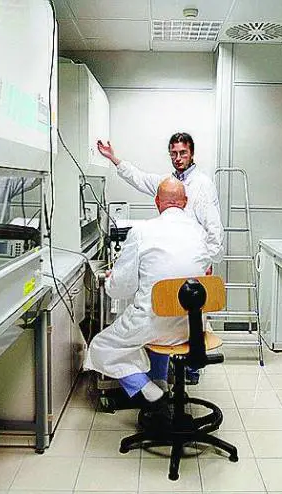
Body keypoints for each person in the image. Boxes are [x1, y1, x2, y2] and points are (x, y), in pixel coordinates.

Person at [97, 132, 223, 385]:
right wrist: (115, 160)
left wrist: (204, 263)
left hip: (193, 263)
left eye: (183, 153)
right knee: (167, 314)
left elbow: (214, 231)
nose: (178, 158)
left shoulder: (203, 185)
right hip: (176, 261)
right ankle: (161, 380)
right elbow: (141, 178)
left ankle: (183, 373)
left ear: (192, 153)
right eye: (173, 153)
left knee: (161, 315)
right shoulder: (169, 182)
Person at [84, 177, 210, 415]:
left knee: (101, 346)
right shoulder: (200, 232)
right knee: (158, 333)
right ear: (185, 202)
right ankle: (160, 383)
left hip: (155, 324)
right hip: (193, 328)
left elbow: (121, 289)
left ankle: (149, 391)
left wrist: (112, 278)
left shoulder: (142, 232)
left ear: (157, 202)